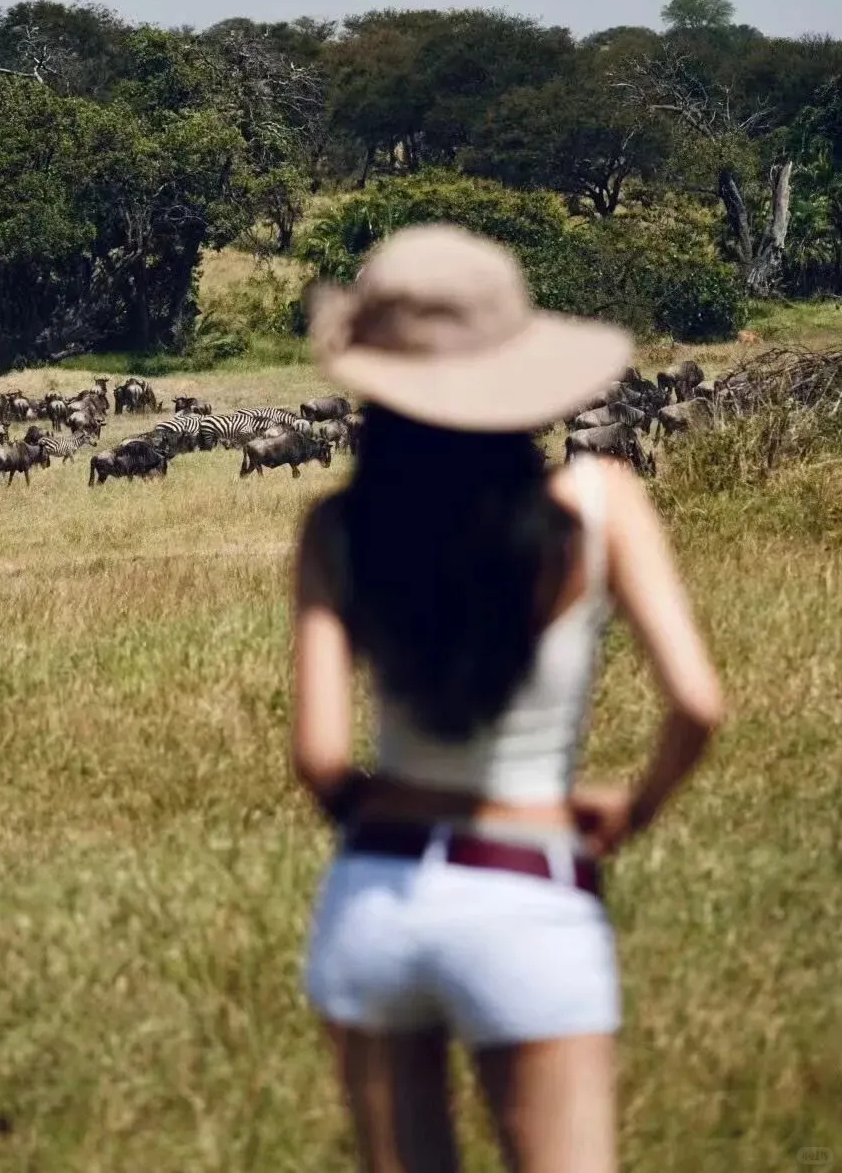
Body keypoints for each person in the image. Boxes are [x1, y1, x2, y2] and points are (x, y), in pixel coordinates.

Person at [292, 225, 725, 1173]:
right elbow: (697, 703)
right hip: (528, 889)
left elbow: (320, 759)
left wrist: (386, 814)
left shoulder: (337, 528)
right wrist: (629, 809)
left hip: (376, 893)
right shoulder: (605, 501)